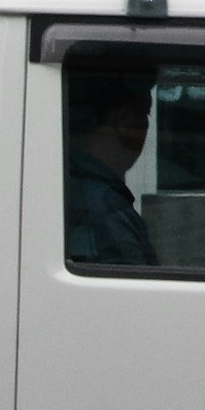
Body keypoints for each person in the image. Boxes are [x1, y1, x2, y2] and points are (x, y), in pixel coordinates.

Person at [63, 60, 157, 268]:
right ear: (125, 121)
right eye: (145, 114)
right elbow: (142, 296)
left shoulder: (67, 185)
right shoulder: (107, 210)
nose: (146, 128)